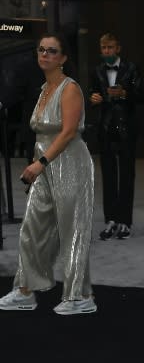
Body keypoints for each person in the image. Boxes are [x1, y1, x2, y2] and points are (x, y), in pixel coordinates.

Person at [0, 34, 96, 315]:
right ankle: (25, 291)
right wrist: (37, 164)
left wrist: (40, 163)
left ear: (63, 58)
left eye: (52, 51)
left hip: (69, 163)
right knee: (32, 228)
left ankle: (80, 296)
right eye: (41, 50)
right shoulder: (44, 89)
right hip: (43, 164)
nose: (45, 55)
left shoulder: (70, 89)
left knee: (73, 229)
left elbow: (67, 132)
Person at [89, 32, 144, 241]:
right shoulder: (97, 70)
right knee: (109, 176)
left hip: (127, 129)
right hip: (106, 129)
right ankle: (111, 220)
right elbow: (93, 93)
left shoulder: (131, 68)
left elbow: (141, 95)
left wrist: (123, 94)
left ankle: (125, 221)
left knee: (127, 175)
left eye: (110, 48)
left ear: (118, 48)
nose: (107, 52)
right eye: (104, 48)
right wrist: (93, 97)